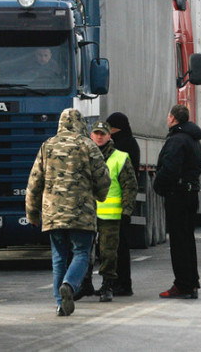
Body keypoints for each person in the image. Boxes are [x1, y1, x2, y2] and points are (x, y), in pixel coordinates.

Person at [25, 108, 110, 317]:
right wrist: (100, 195)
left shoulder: (47, 146)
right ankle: (69, 285)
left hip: (53, 213)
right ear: (82, 124)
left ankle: (60, 304)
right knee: (81, 253)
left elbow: (34, 183)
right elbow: (103, 178)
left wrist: (33, 214)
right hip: (82, 212)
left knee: (58, 257)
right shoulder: (88, 146)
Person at [153, 104, 201, 299]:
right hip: (191, 194)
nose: (167, 119)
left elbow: (170, 169)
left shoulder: (176, 140)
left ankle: (182, 285)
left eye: (168, 116)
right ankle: (191, 283)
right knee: (188, 240)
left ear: (173, 119)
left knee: (179, 242)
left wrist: (159, 186)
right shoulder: (193, 139)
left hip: (178, 195)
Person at [87, 121, 137, 303]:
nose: (99, 137)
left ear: (109, 136)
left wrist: (127, 211)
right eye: (96, 133)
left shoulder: (120, 157)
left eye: (103, 134)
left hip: (110, 215)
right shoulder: (84, 156)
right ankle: (85, 284)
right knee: (84, 251)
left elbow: (130, 186)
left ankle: (108, 285)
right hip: (87, 214)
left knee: (108, 253)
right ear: (91, 135)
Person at [106, 112, 140, 297]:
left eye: (110, 127)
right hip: (119, 203)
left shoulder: (122, 146)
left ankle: (122, 284)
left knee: (118, 247)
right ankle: (119, 283)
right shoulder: (130, 143)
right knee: (118, 246)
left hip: (119, 203)